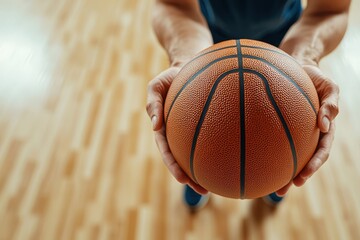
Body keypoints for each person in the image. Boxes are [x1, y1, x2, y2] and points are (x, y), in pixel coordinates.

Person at [146, 0, 350, 210]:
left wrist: (304, 56)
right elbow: (174, 5)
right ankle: (197, 165)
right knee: (199, 134)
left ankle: (275, 173)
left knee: (277, 140)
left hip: (288, 44)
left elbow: (330, 10)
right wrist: (186, 62)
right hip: (202, 37)